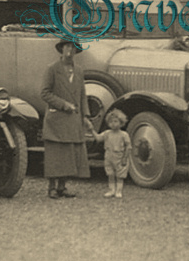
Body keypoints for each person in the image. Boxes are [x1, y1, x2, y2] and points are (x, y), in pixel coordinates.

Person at [41, 39, 93, 199]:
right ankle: (51, 187)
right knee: (55, 154)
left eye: (74, 47)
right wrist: (64, 105)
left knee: (69, 153)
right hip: (56, 119)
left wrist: (85, 116)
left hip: (73, 119)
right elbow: (45, 93)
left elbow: (82, 94)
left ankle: (62, 187)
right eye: (67, 46)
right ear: (61, 49)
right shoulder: (52, 69)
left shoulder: (79, 70)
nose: (70, 50)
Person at [92, 108, 131, 198]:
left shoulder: (124, 135)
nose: (113, 124)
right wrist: (92, 130)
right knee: (110, 174)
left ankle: (119, 191)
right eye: (111, 122)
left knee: (120, 175)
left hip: (119, 156)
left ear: (121, 122)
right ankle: (111, 190)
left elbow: (128, 147)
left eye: (115, 121)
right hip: (109, 156)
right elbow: (98, 138)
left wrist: (125, 158)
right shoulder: (107, 133)